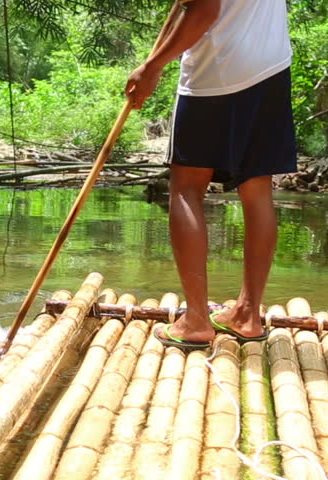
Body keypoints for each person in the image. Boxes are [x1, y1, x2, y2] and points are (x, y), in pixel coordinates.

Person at [125, 0, 297, 348]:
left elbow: (204, 12)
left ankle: (197, 321)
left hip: (217, 72)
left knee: (186, 188)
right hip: (271, 66)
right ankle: (247, 315)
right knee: (257, 186)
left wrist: (152, 66)